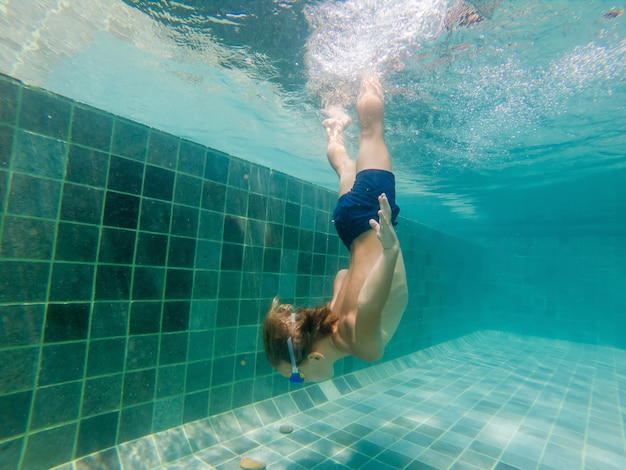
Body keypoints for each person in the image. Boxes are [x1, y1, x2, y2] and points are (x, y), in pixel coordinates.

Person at [263, 76, 408, 383]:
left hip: (371, 217)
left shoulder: (360, 346)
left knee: (371, 132)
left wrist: (390, 252)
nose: (300, 382)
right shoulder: (330, 317)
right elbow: (343, 277)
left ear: (314, 358)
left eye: (296, 377)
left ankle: (370, 69)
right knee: (345, 167)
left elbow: (368, 303)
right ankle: (334, 130)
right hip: (347, 225)